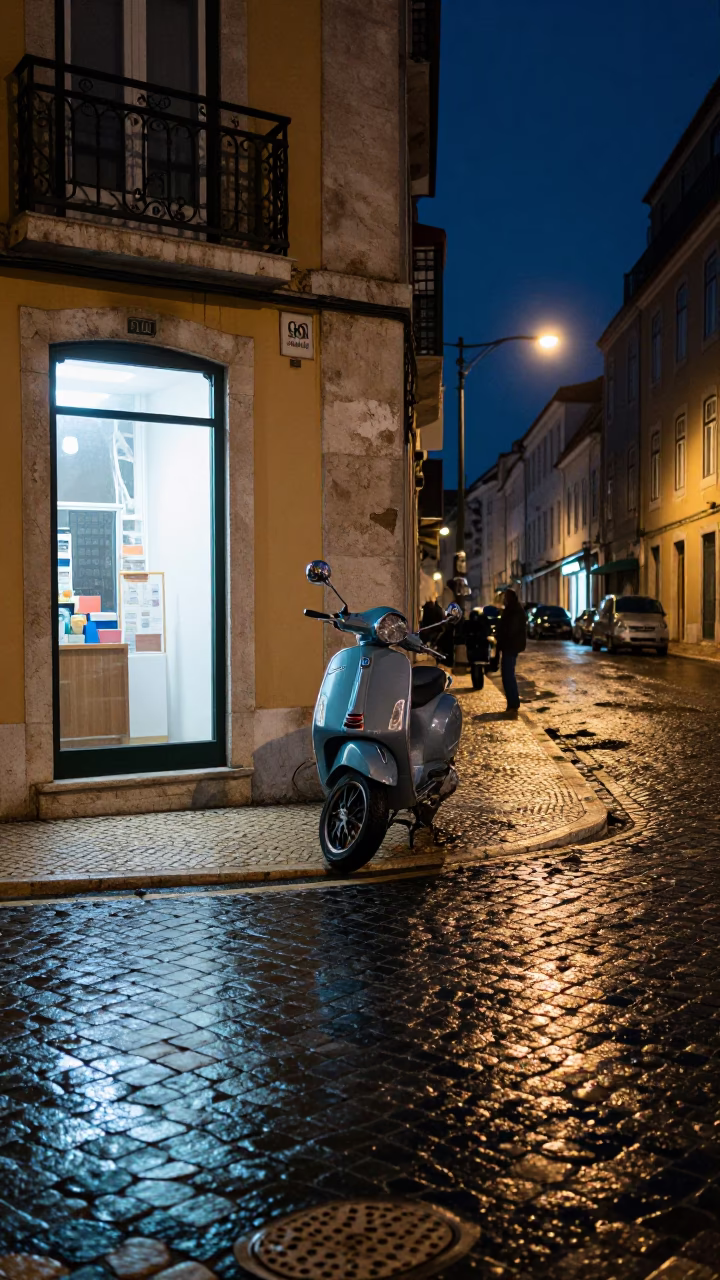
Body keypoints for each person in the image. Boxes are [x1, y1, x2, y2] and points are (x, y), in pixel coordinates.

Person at [495, 588, 527, 719]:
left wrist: (501, 636)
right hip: (509, 646)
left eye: (506, 597)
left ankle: (513, 704)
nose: (504, 599)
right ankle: (512, 703)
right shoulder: (513, 609)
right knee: (507, 675)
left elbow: (511, 630)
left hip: (510, 647)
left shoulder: (514, 611)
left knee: (508, 675)